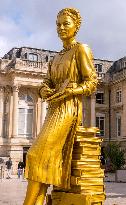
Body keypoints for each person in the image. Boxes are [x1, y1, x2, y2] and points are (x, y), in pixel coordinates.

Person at [23, 8, 97, 205]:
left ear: (76, 26)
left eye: (66, 23)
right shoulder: (55, 58)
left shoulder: (81, 49)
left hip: (69, 109)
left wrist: (72, 91)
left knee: (35, 154)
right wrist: (43, 91)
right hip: (54, 109)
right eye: (58, 24)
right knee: (42, 159)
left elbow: (92, 83)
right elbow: (46, 82)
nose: (61, 28)